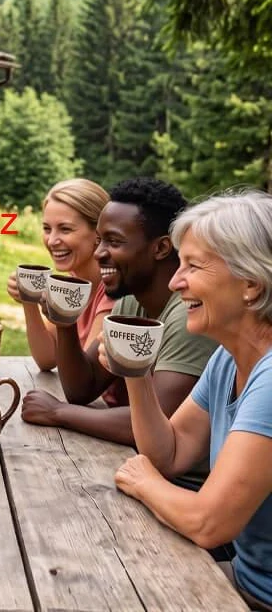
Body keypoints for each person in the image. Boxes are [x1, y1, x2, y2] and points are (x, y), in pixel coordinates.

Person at [102, 190, 272, 611]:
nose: (176, 282)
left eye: (193, 266)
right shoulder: (227, 360)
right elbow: (170, 453)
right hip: (243, 581)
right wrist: (137, 374)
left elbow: (208, 522)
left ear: (251, 282)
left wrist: (145, 483)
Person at [21, 178, 219, 467]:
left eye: (114, 242)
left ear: (161, 248)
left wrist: (57, 413)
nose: (99, 252)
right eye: (100, 240)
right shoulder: (131, 301)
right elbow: (83, 387)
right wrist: (64, 321)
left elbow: (156, 423)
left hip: (189, 486)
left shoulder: (189, 317)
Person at [7, 178, 113, 370]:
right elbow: (47, 359)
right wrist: (28, 299)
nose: (52, 240)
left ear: (98, 232)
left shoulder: (112, 289)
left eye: (65, 229)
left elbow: (85, 375)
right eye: (47, 229)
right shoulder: (73, 283)